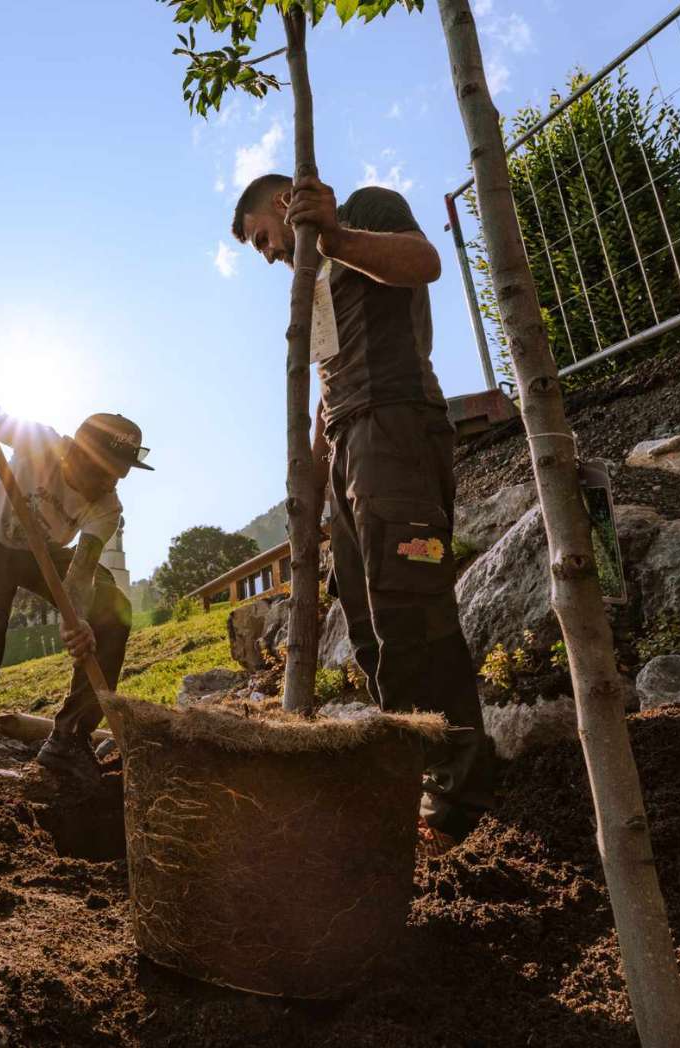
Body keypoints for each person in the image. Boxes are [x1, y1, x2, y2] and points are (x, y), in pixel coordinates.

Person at [232, 173, 493, 847]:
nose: (268, 254)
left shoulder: (365, 212)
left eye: (264, 235)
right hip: (349, 440)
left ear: (287, 200)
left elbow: (424, 264)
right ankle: (413, 769)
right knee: (368, 618)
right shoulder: (311, 281)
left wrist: (339, 234)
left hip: (397, 423)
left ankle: (456, 789)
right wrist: (313, 489)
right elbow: (326, 391)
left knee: (411, 606)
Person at [0, 391, 153, 801]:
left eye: (121, 474)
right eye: (106, 470)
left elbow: (80, 573)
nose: (112, 482)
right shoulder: (42, 442)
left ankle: (70, 739)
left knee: (114, 609)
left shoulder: (107, 506)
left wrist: (79, 619)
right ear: (79, 452)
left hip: (36, 553)